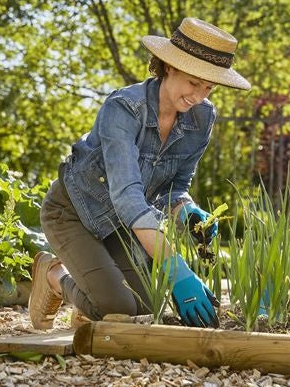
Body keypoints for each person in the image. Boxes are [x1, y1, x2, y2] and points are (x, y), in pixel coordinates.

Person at [28, 17, 250, 330]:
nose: (199, 96)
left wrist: (188, 211)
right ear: (170, 66)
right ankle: (53, 275)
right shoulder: (123, 108)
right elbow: (129, 198)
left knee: (148, 305)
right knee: (116, 307)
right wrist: (178, 269)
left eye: (209, 87)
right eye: (193, 83)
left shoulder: (202, 117)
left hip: (120, 225)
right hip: (73, 212)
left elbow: (175, 187)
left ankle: (89, 297)